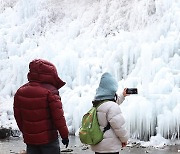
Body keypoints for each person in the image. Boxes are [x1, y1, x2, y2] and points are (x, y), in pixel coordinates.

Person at [13, 59, 69, 154]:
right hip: (49, 140)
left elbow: (18, 117)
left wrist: (26, 133)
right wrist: (65, 136)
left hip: (31, 140)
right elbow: (58, 117)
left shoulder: (20, 92)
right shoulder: (50, 91)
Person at [91, 72, 129, 154]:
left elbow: (110, 105)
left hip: (98, 145)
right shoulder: (112, 107)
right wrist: (124, 139)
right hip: (110, 148)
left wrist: (123, 96)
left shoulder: (97, 103)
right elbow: (119, 127)